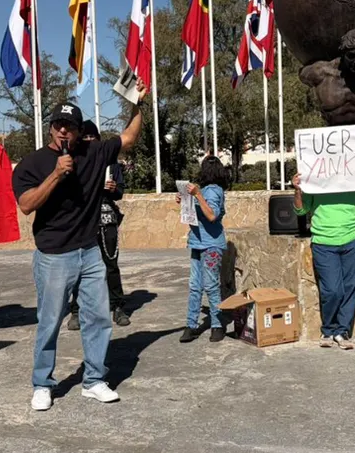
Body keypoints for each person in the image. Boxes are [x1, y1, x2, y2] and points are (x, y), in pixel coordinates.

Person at [12, 93, 144, 412]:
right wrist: (56, 174)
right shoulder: (33, 163)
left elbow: (128, 137)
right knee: (50, 320)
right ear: (50, 128)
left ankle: (94, 380)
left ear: (77, 130)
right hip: (54, 256)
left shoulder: (94, 152)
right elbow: (26, 205)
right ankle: (43, 384)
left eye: (70, 127)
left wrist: (138, 104)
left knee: (98, 317)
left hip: (90, 251)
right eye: (58, 125)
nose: (63, 131)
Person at [292, 171, 355, 349]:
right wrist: (298, 189)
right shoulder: (315, 184)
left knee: (351, 288)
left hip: (353, 241)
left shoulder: (353, 183)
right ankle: (328, 329)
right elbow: (301, 209)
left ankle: (342, 331)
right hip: (323, 243)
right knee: (332, 290)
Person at [67, 120, 130, 330]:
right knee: (79, 267)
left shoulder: (111, 163)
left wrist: (112, 188)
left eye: (92, 137)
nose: (88, 141)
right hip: (83, 220)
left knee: (110, 264)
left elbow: (120, 192)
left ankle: (118, 306)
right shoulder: (76, 160)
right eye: (84, 138)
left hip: (106, 218)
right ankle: (76, 310)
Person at [176, 156, 228, 343]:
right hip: (198, 242)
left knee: (210, 285)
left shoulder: (213, 191)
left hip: (211, 244)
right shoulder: (206, 190)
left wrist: (197, 195)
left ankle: (216, 324)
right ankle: (191, 324)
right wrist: (184, 200)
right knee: (195, 286)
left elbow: (212, 215)